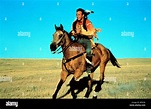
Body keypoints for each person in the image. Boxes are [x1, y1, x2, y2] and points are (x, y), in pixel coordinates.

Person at [71, 8, 97, 74]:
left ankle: (88, 66)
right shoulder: (74, 23)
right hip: (78, 40)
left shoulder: (87, 22)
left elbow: (92, 32)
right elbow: (72, 31)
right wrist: (73, 33)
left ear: (83, 15)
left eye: (79, 15)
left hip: (87, 40)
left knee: (88, 51)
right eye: (77, 15)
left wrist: (82, 32)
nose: (77, 16)